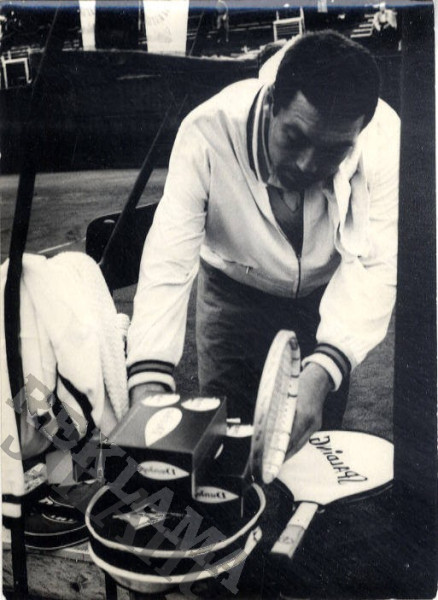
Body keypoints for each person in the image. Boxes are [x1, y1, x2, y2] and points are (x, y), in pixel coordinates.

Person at [127, 31, 400, 456]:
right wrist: (148, 378)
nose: (307, 164)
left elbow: (375, 265)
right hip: (231, 295)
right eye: (295, 138)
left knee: (310, 449)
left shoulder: (385, 138)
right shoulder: (206, 132)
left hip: (324, 300)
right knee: (223, 452)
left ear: (360, 132)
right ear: (272, 101)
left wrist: (324, 368)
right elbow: (168, 260)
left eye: (333, 151)